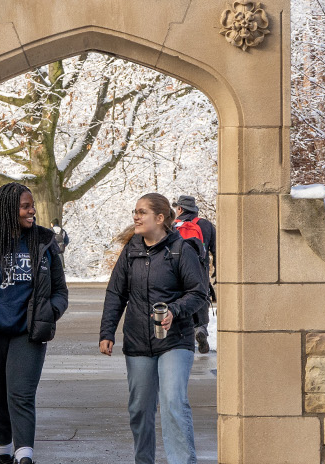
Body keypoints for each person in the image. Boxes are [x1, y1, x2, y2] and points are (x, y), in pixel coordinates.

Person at [99, 193, 209, 464]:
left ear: (160, 218)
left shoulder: (180, 250)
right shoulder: (131, 250)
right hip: (138, 341)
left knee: (173, 403)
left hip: (175, 340)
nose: (135, 217)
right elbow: (116, 293)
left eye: (142, 212)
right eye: (134, 211)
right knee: (139, 409)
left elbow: (198, 292)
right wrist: (107, 332)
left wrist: (175, 310)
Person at [0, 182, 70, 464]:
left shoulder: (43, 242)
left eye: (32, 206)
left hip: (28, 332)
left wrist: (50, 312)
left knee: (21, 394)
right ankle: (3, 454)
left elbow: (60, 290)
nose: (32, 212)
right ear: (7, 211)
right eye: (25, 207)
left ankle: (24, 457)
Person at [172, 195, 216, 354]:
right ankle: (201, 329)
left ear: (180, 209)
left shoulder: (172, 226)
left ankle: (182, 336)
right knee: (200, 297)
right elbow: (217, 250)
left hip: (177, 271)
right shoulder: (206, 225)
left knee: (181, 299)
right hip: (200, 269)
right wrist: (217, 271)